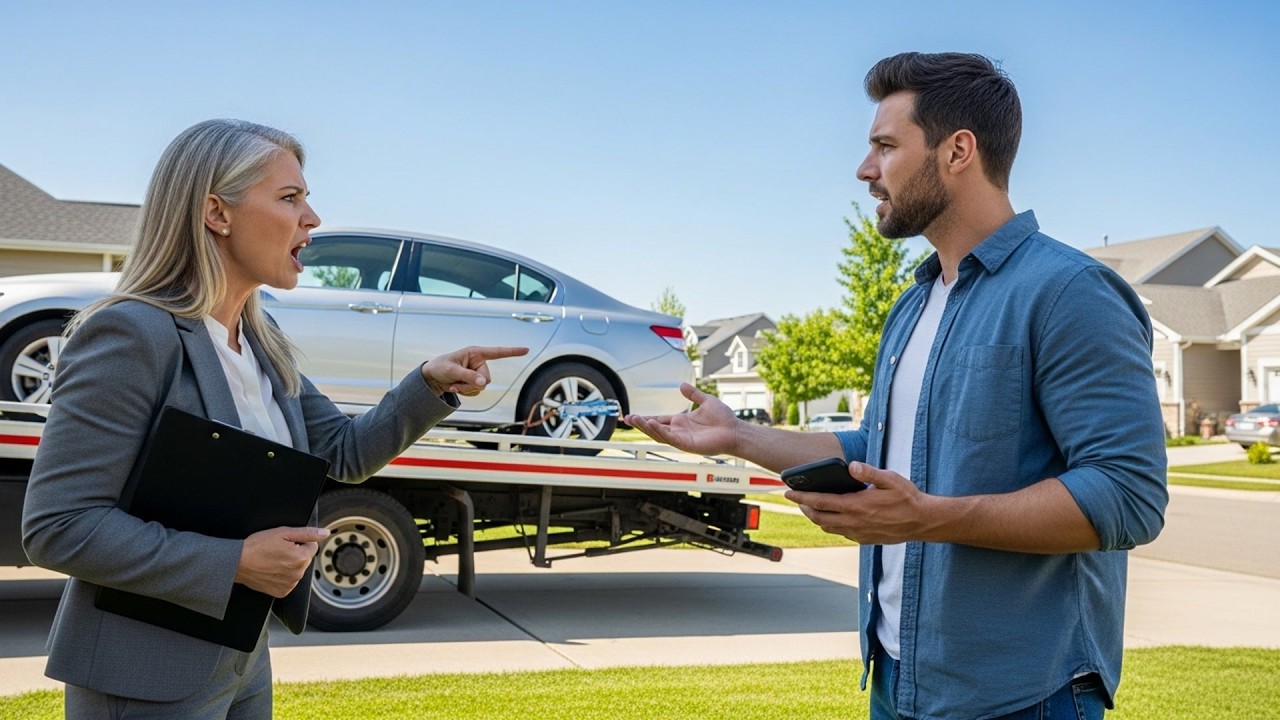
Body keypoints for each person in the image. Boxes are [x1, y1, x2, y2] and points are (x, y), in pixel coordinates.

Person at [625, 52, 1167, 720]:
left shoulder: (1069, 294)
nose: (864, 169)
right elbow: (881, 448)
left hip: (1025, 696)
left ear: (958, 151)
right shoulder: (912, 304)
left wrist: (933, 518)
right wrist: (739, 436)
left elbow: (1128, 495)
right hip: (897, 682)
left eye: (885, 146)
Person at [21, 119, 528, 719]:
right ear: (217, 213)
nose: (311, 218)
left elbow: (342, 452)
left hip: (242, 657)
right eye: (290, 198)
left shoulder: (260, 340)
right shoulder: (132, 333)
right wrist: (234, 562)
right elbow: (59, 526)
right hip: (145, 673)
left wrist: (426, 385)